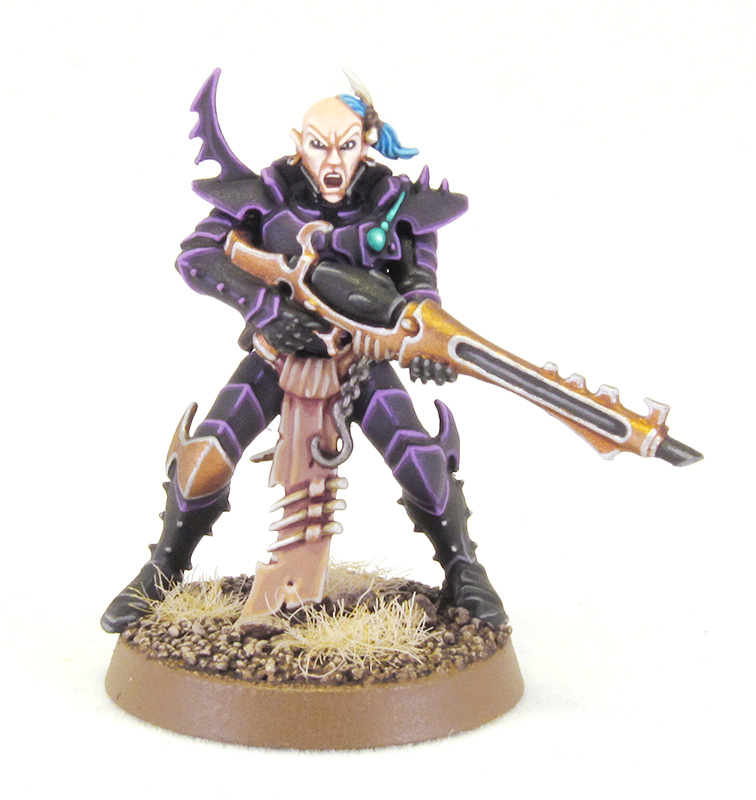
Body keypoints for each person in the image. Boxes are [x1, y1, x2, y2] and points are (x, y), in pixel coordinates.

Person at [101, 70, 507, 633]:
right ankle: (162, 568)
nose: (332, 160)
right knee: (206, 459)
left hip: (358, 361)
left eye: (347, 144)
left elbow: (419, 295)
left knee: (420, 462)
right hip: (276, 355)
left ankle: (464, 570)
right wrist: (265, 308)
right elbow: (197, 256)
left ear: (368, 141)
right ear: (299, 142)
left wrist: (427, 345)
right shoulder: (266, 196)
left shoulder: (400, 208)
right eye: (319, 144)